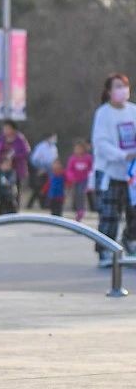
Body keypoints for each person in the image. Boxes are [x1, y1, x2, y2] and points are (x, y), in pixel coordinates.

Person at [91, 73, 136, 262]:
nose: (122, 90)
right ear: (109, 91)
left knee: (133, 210)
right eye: (117, 86)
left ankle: (130, 240)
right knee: (110, 213)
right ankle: (105, 249)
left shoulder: (133, 111)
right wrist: (122, 155)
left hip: (132, 172)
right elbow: (100, 143)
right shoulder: (103, 113)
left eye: (124, 86)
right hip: (110, 171)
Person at [0, 120, 30, 193]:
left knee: (15, 188)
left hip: (16, 168)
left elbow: (26, 151)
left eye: (8, 128)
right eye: (4, 128)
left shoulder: (20, 139)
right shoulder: (0, 139)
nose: (5, 130)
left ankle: (15, 202)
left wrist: (14, 157)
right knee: (2, 186)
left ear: (13, 129)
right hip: (2, 167)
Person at [26, 134, 58, 210]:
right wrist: (40, 168)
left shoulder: (54, 148)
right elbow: (34, 159)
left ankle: (45, 204)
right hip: (40, 169)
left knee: (46, 188)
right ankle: (34, 204)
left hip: (50, 170)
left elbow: (55, 159)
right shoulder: (41, 146)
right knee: (38, 188)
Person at [65, 139, 93, 222]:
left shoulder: (88, 158)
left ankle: (81, 210)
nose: (78, 150)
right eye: (76, 148)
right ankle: (78, 210)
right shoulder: (72, 159)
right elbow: (69, 169)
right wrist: (71, 177)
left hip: (85, 180)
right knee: (76, 195)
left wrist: (90, 178)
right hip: (75, 180)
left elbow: (91, 168)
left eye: (80, 148)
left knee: (81, 194)